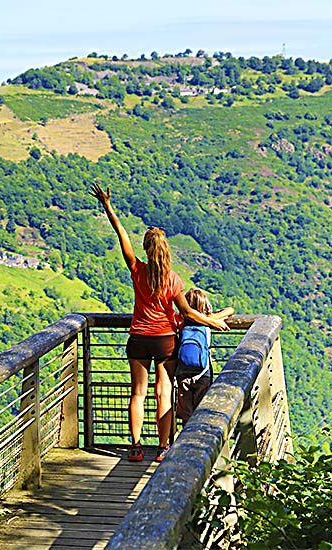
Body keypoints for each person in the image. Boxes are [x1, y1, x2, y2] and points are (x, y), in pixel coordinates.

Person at [89, 183, 231, 462]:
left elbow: (121, 235)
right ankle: (163, 448)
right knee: (162, 393)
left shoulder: (136, 270)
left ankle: (135, 446)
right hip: (165, 339)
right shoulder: (173, 279)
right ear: (166, 251)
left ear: (146, 249)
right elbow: (188, 313)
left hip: (138, 338)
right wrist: (212, 323)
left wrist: (107, 205)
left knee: (137, 394)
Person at [175, 288, 234, 427]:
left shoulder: (181, 321)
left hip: (182, 371)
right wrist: (210, 318)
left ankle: (185, 441)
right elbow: (230, 310)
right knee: (201, 410)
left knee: (186, 413)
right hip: (203, 371)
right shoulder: (208, 321)